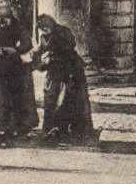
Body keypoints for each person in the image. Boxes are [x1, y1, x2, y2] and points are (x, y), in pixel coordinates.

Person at [33, 15, 95, 143]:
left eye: (46, 27)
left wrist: (51, 55)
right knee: (51, 99)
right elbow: (40, 49)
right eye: (42, 28)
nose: (45, 30)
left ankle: (76, 131)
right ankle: (52, 129)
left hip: (70, 69)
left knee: (71, 100)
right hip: (55, 71)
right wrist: (36, 57)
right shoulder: (44, 37)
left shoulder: (63, 32)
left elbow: (69, 47)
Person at [0, 2, 37, 146]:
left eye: (5, 18)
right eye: (0, 18)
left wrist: (15, 50)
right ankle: (2, 127)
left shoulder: (18, 27)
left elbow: (27, 44)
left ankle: (18, 127)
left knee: (16, 97)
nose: (2, 22)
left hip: (15, 68)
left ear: (10, 17)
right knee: (1, 97)